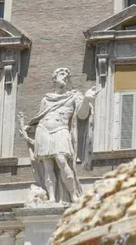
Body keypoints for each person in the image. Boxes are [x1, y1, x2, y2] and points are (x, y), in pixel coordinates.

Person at [18, 68, 100, 203]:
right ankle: (52, 197)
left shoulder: (74, 96)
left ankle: (73, 194)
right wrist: (29, 128)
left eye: (67, 75)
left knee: (62, 160)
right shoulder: (46, 99)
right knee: (47, 166)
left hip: (61, 130)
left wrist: (86, 99)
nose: (65, 77)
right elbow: (40, 116)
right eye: (62, 74)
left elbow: (82, 115)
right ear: (54, 78)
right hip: (43, 131)